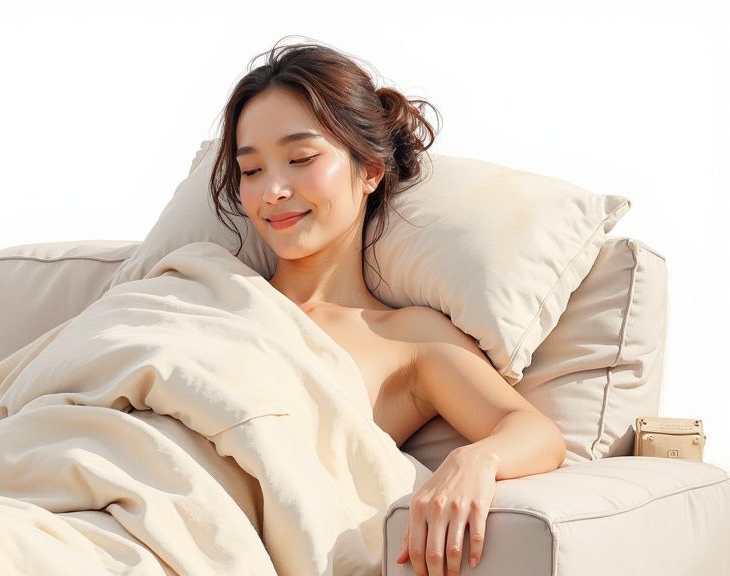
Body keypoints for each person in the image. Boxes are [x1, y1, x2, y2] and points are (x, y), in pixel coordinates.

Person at [207, 37, 566, 576]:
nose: (273, 190)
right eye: (252, 171)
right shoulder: (199, 289)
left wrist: (475, 460)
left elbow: (535, 432)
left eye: (300, 159)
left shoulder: (405, 339)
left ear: (370, 170)